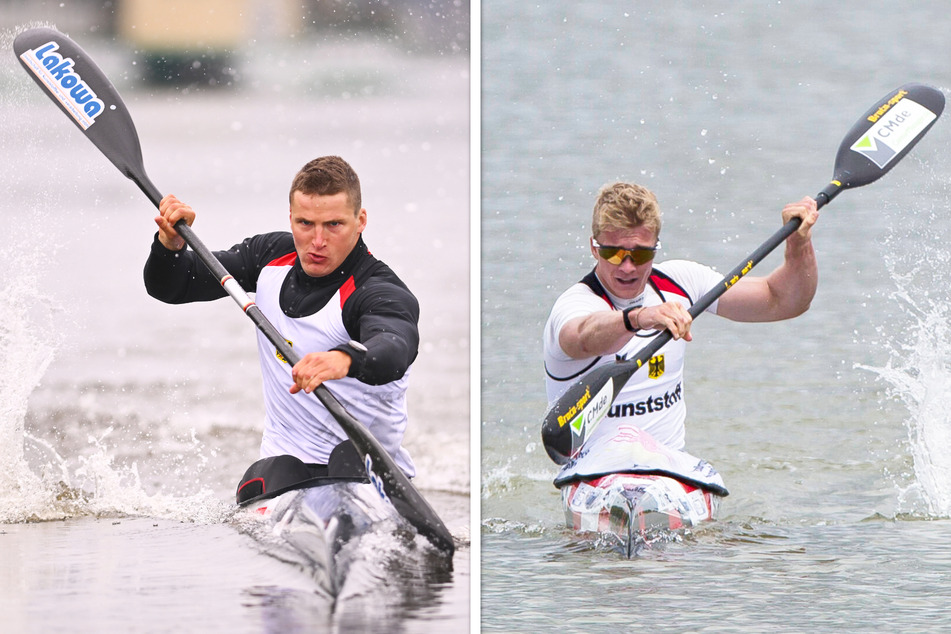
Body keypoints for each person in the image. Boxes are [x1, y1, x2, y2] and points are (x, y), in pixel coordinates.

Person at [144, 156, 419, 498]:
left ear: (360, 221)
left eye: (333, 225)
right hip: (285, 472)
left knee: (347, 461)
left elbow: (395, 346)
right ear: (290, 217)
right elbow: (173, 286)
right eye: (305, 223)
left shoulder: (377, 291)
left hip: (364, 470)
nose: (317, 241)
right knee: (262, 478)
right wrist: (169, 245)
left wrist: (346, 359)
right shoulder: (268, 257)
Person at [543, 182, 818, 476]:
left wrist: (798, 245)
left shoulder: (680, 282)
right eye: (613, 253)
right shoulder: (574, 305)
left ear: (656, 247)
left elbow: (784, 301)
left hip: (668, 474)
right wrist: (637, 318)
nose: (627, 267)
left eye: (640, 255)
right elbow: (583, 338)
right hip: (594, 476)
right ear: (594, 248)